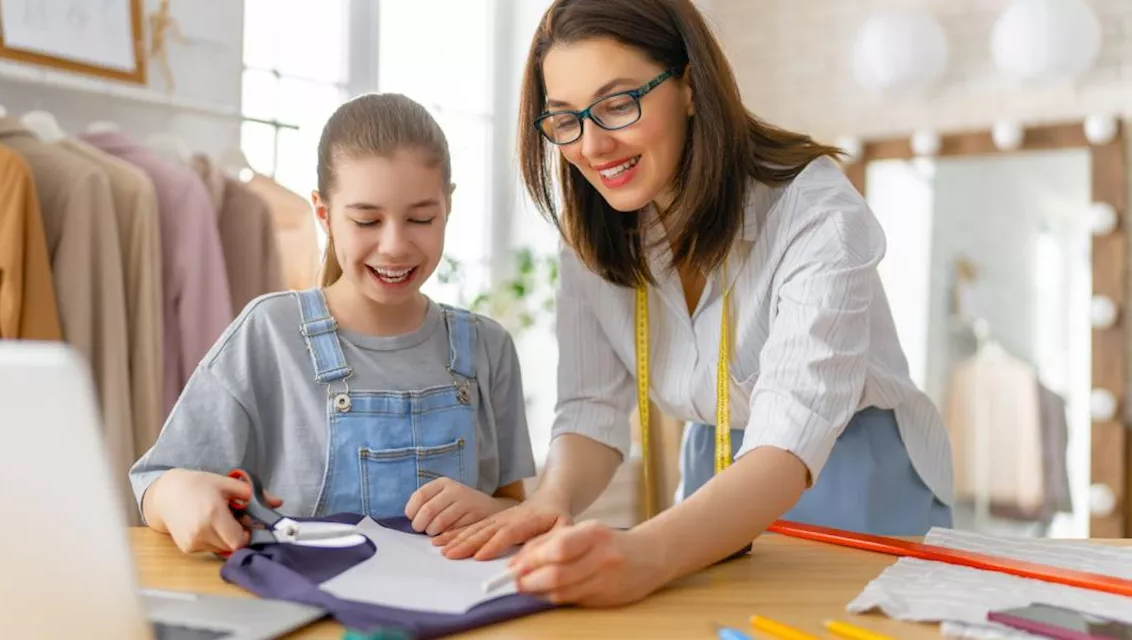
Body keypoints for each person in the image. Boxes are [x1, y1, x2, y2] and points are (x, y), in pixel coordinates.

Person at [435, 0, 954, 607]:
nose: (593, 145)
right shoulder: (593, 232)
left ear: (687, 84)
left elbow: (788, 439)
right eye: (564, 119)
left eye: (617, 103)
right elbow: (592, 406)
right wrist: (552, 503)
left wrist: (644, 555)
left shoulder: (815, 213)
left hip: (859, 471)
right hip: (717, 465)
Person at [130, 93, 536, 555]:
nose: (394, 245)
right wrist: (180, 495)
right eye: (367, 220)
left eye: (421, 218)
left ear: (448, 207)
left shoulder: (489, 347)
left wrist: (490, 510)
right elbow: (154, 485)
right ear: (323, 214)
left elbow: (515, 509)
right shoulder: (269, 333)